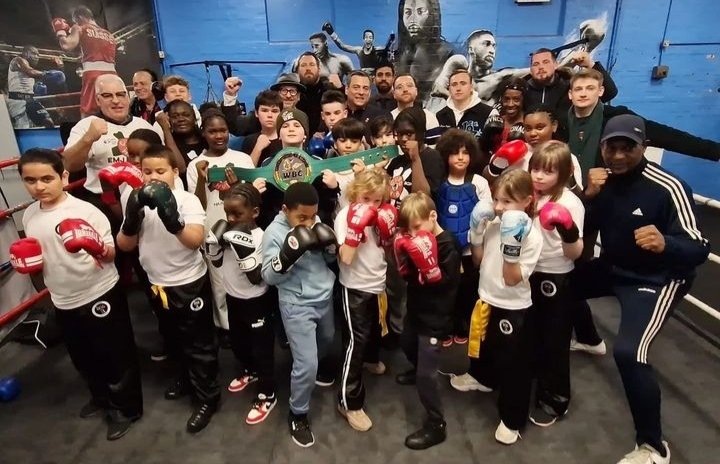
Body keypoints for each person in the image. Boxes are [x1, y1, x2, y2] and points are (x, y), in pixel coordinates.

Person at [575, 115, 709, 464]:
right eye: (611, 147)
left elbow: (699, 246)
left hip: (657, 280)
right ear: (602, 146)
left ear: (643, 147)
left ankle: (653, 447)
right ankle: (589, 338)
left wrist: (666, 243)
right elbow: (583, 224)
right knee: (556, 288)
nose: (618, 156)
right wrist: (588, 195)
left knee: (630, 353)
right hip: (614, 268)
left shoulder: (667, 186)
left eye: (627, 148)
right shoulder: (601, 183)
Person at [11, 148, 142, 441]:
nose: (39, 186)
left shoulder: (86, 211)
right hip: (63, 297)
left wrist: (93, 244)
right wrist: (30, 266)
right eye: (30, 180)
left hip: (99, 293)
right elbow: (40, 259)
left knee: (114, 354)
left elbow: (111, 254)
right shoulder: (30, 215)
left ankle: (126, 409)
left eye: (47, 178)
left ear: (64, 176)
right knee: (82, 355)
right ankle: (101, 397)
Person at [116, 144, 221, 434]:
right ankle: (186, 380)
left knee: (198, 343)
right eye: (147, 171)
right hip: (156, 282)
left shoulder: (187, 201)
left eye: (160, 171)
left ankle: (207, 398)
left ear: (175, 171)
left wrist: (171, 218)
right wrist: (131, 218)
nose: (153, 177)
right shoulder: (134, 198)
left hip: (188, 282)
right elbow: (125, 246)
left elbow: (194, 240)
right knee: (172, 337)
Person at [454, 169, 542, 445]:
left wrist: (512, 246)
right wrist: (477, 232)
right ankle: (482, 377)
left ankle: (512, 420)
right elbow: (478, 261)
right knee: (483, 344)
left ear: (527, 201)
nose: (499, 208)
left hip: (513, 307)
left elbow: (512, 278)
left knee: (514, 365)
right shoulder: (495, 223)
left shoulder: (530, 236)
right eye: (496, 200)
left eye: (507, 202)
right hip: (486, 297)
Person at [260, 182, 338, 448]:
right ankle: (298, 413)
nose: (308, 222)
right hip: (296, 303)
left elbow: (328, 262)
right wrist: (288, 255)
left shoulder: (316, 223)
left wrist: (329, 249)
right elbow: (268, 276)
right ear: (285, 210)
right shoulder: (273, 232)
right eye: (301, 217)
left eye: (312, 216)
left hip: (324, 296)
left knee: (327, 340)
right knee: (307, 364)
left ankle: (308, 366)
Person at [206, 183, 278, 425]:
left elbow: (258, 277)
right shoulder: (227, 235)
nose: (231, 219)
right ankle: (250, 371)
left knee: (262, 350)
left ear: (254, 212)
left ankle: (268, 395)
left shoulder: (261, 237)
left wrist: (243, 251)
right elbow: (216, 265)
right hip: (233, 298)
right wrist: (214, 248)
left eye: (237, 214)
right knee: (239, 343)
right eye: (228, 214)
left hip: (257, 301)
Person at [394, 192, 461, 449]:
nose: (412, 235)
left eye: (417, 227)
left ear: (432, 216)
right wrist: (407, 264)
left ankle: (436, 424)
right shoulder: (413, 241)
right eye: (408, 230)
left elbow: (448, 283)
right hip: (416, 310)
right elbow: (411, 277)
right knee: (407, 343)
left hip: (436, 316)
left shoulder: (447, 244)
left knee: (427, 376)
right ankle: (417, 367)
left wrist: (431, 271)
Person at [526, 141, 584, 427]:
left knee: (556, 339)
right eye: (535, 169)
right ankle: (535, 384)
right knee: (532, 333)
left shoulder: (570, 203)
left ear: (562, 173)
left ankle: (557, 398)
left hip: (556, 276)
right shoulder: (529, 196)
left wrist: (568, 230)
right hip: (528, 272)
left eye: (547, 172)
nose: (538, 176)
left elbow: (575, 253)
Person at [335, 170, 397, 432]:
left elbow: (385, 251)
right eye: (366, 198)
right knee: (355, 342)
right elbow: (346, 258)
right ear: (354, 193)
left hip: (376, 284)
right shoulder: (345, 216)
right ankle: (348, 402)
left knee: (373, 329)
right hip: (356, 287)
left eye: (378, 201)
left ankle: (371, 360)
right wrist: (355, 228)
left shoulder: (382, 215)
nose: (372, 206)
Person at [186, 110, 255, 340]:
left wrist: (236, 186)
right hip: (212, 229)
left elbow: (250, 199)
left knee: (244, 273)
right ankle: (225, 326)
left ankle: (247, 319)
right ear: (203, 133)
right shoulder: (196, 164)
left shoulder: (243, 159)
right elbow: (196, 203)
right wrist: (202, 179)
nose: (218, 135)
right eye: (212, 131)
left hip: (241, 228)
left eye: (223, 130)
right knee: (218, 281)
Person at [62, 74, 161, 223]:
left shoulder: (143, 125)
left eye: (120, 94)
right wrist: (88, 138)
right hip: (103, 202)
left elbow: (162, 161)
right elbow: (68, 165)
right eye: (108, 96)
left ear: (128, 97)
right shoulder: (86, 125)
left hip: (143, 196)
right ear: (98, 100)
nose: (116, 101)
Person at [385, 107, 445, 342]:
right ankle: (397, 333)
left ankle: (416, 337)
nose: (403, 139)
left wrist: (416, 159)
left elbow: (424, 193)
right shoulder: (395, 161)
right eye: (399, 134)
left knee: (418, 290)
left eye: (409, 134)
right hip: (395, 233)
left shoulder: (431, 157)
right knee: (395, 287)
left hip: (420, 235)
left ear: (420, 134)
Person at [434, 129, 491, 346]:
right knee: (445, 292)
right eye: (455, 153)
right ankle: (445, 329)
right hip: (445, 250)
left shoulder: (478, 182)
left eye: (465, 153)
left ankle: (463, 326)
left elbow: (487, 213)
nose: (460, 157)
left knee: (467, 291)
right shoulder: (439, 182)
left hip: (470, 249)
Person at [524, 48, 618, 132]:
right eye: (535, 64)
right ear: (531, 69)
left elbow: (609, 93)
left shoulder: (571, 86)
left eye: (546, 62)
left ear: (556, 65)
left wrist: (590, 64)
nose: (540, 67)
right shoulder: (523, 90)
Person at [53, 5, 117, 117]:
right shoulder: (109, 35)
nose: (76, 23)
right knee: (113, 109)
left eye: (76, 20)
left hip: (93, 75)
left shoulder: (79, 28)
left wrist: (61, 31)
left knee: (88, 113)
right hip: (113, 75)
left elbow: (67, 45)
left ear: (80, 17)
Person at [395, 0, 454, 103]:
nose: (413, 20)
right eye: (408, 12)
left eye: (420, 12)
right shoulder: (398, 54)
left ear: (432, 15)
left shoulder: (447, 52)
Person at [6, 45, 59, 128]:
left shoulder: (31, 69)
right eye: (34, 54)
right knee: (24, 127)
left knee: (48, 122)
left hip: (30, 100)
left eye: (38, 55)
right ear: (26, 53)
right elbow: (29, 72)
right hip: (18, 100)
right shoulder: (18, 60)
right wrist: (46, 74)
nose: (37, 57)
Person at [436, 69, 493, 143]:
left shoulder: (489, 113)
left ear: (471, 87)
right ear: (449, 89)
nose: (458, 88)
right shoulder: (440, 115)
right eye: (454, 84)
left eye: (463, 83)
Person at [295, 52, 342, 134]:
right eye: (303, 65)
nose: (308, 68)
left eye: (312, 64)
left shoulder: (330, 90)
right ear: (297, 71)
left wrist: (341, 88)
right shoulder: (293, 94)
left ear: (319, 69)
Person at [164, 99, 207, 188]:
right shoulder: (168, 144)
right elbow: (181, 170)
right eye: (175, 116)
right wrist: (166, 129)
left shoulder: (206, 140)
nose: (181, 119)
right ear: (168, 120)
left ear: (195, 117)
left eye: (186, 115)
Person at [322, 23, 389, 74]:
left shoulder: (378, 49)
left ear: (373, 40)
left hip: (374, 79)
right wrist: (331, 33)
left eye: (370, 38)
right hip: (363, 78)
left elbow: (388, 50)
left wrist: (387, 49)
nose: (368, 39)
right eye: (366, 37)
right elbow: (342, 46)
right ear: (363, 39)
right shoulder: (359, 50)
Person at [482, 79, 527, 154]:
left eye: (516, 99)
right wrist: (486, 137)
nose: (510, 104)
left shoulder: (529, 123)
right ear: (501, 99)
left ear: (523, 100)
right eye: (506, 99)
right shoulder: (496, 120)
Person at [240, 90, 283, 166]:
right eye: (265, 110)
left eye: (274, 111)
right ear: (256, 113)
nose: (270, 115)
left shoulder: (286, 138)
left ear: (281, 113)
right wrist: (257, 148)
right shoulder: (249, 140)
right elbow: (246, 173)